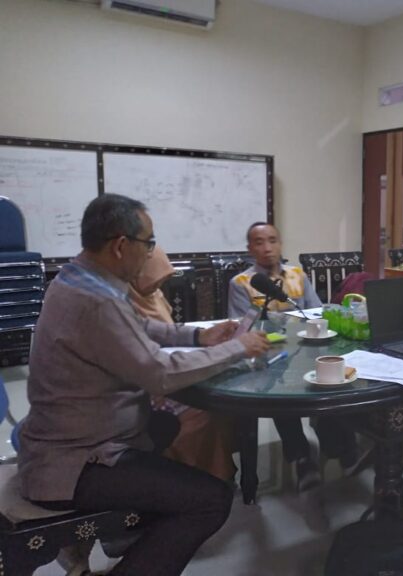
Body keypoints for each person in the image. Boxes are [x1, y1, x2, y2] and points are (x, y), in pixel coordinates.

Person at [18, 193, 270, 576]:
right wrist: (236, 348)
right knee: (211, 500)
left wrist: (199, 338)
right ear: (121, 245)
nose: (151, 252)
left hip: (65, 438)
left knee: (166, 425)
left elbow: (138, 330)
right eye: (148, 243)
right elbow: (160, 374)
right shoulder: (96, 301)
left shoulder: (77, 278)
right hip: (74, 463)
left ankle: (131, 530)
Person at [228, 222, 365, 490]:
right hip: (267, 353)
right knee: (279, 392)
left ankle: (341, 446)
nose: (267, 248)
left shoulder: (297, 275)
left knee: (332, 379)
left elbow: (315, 311)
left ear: (280, 244)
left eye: (272, 240)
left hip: (306, 348)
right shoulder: (242, 283)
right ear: (249, 249)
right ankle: (301, 457)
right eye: (259, 242)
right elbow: (243, 326)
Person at [129, 246, 236, 481]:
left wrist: (201, 336)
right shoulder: (118, 305)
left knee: (225, 409)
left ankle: (218, 472)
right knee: (202, 412)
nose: (158, 287)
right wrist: (234, 349)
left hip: (161, 371)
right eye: (154, 280)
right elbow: (150, 366)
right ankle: (196, 478)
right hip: (142, 389)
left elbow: (164, 331)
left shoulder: (152, 296)